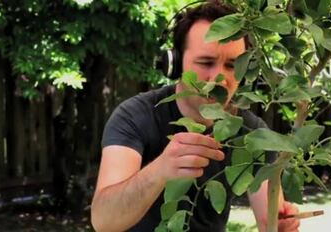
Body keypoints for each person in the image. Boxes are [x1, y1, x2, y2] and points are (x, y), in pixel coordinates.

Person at [91, 1, 300, 231]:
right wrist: (160, 170)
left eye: (232, 66)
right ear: (175, 64)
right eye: (206, 62)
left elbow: (268, 220)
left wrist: (281, 224)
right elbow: (103, 221)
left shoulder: (252, 133)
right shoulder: (134, 117)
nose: (218, 79)